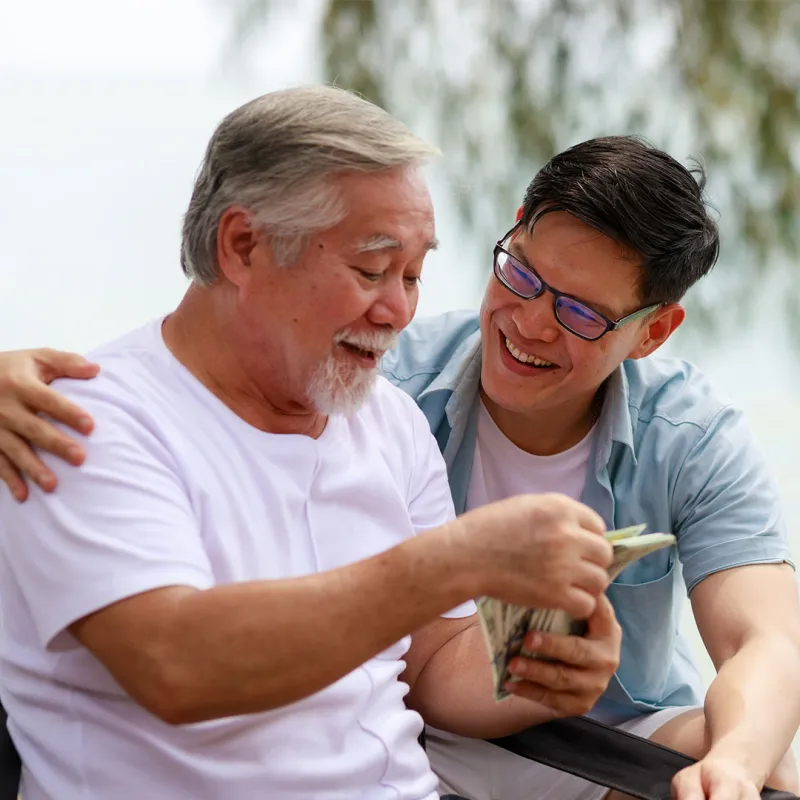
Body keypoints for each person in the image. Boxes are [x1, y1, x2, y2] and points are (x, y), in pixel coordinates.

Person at [1, 128, 798, 798]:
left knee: (761, 770)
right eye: (520, 273)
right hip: (441, 743)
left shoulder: (689, 433)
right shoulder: (369, 380)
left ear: (652, 334)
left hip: (605, 731)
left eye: (581, 313)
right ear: (513, 229)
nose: (529, 323)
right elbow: (209, 359)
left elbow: (769, 638)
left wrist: (730, 764)